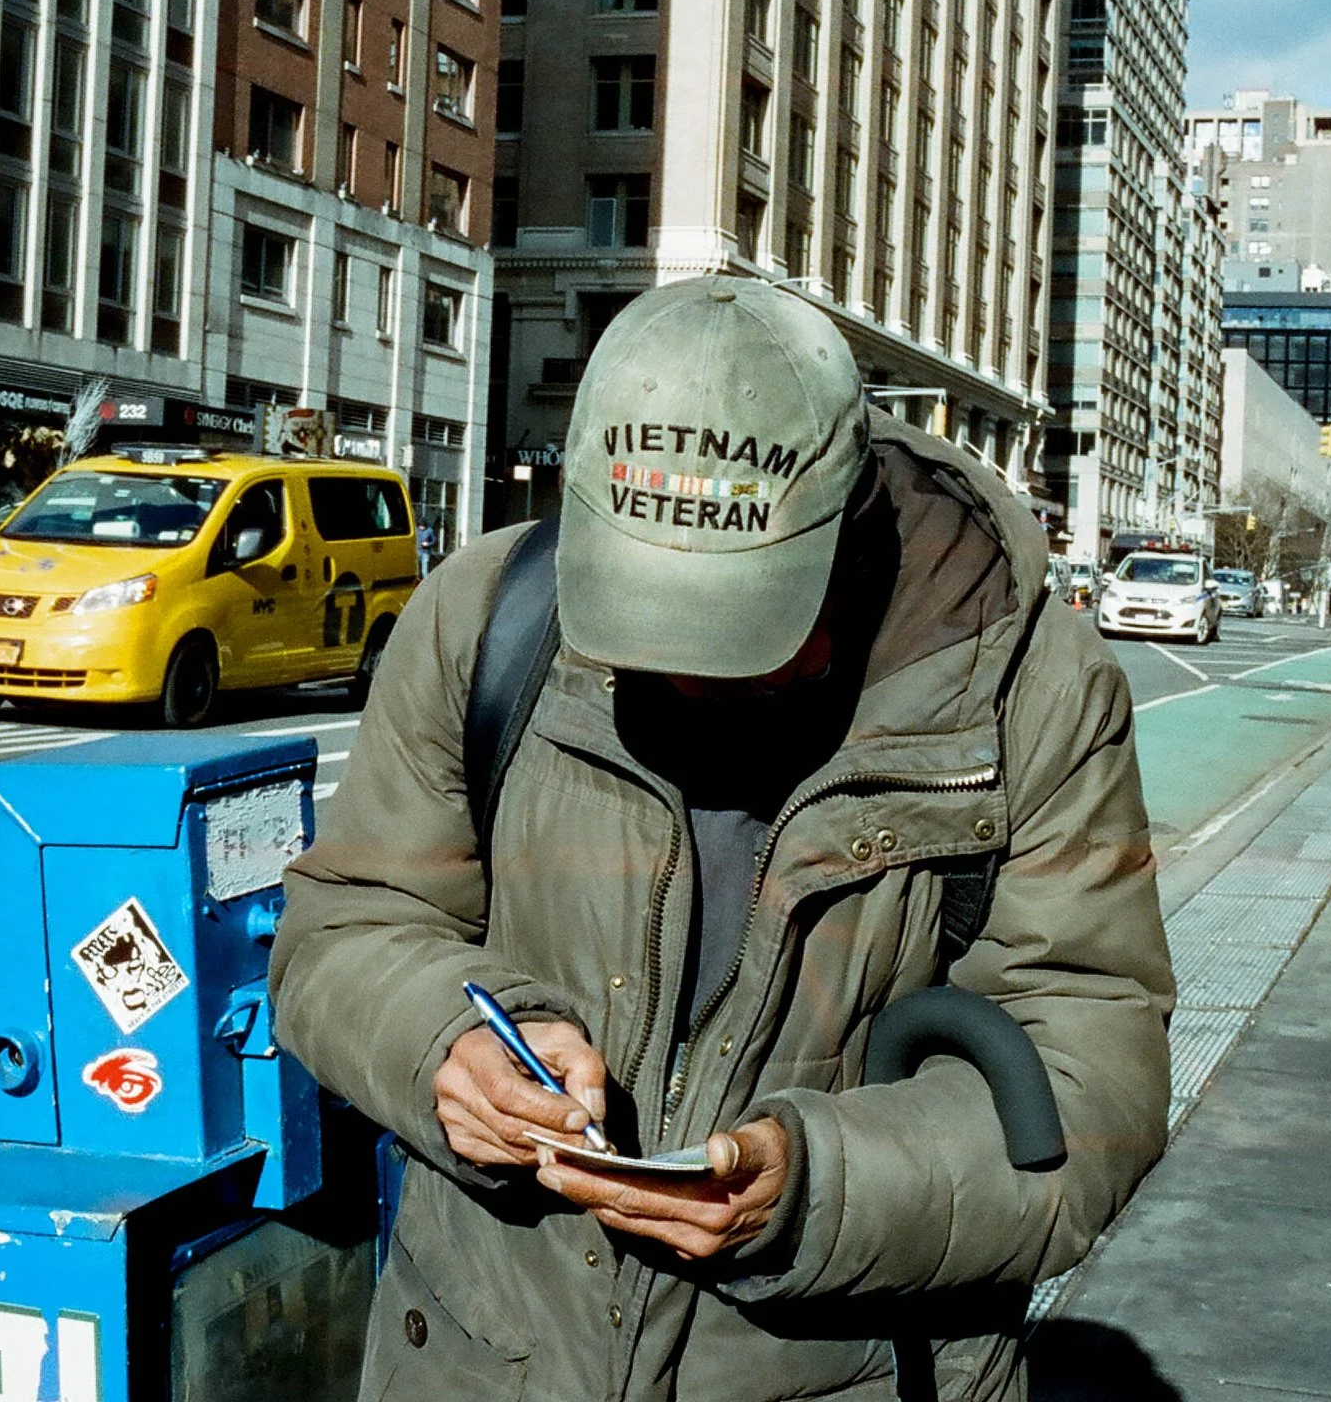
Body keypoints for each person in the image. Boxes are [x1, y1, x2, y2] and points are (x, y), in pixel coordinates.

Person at [268, 277, 1175, 1401]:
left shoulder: (1027, 695)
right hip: (483, 1358)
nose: (687, 672)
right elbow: (345, 924)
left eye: (739, 623)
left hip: (847, 1373)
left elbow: (1093, 1092)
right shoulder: (485, 616)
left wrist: (815, 1190)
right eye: (643, 621)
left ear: (849, 535)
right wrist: (446, 1045)